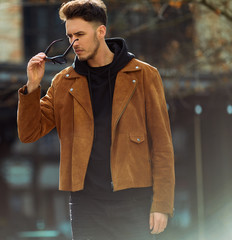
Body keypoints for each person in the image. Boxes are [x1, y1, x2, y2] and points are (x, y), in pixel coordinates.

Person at [17, 0, 175, 239]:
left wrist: (162, 204)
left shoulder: (143, 75)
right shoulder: (63, 82)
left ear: (101, 31)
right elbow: (29, 133)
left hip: (134, 201)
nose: (74, 43)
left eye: (80, 34)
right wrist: (32, 85)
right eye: (70, 35)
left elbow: (162, 146)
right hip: (86, 205)